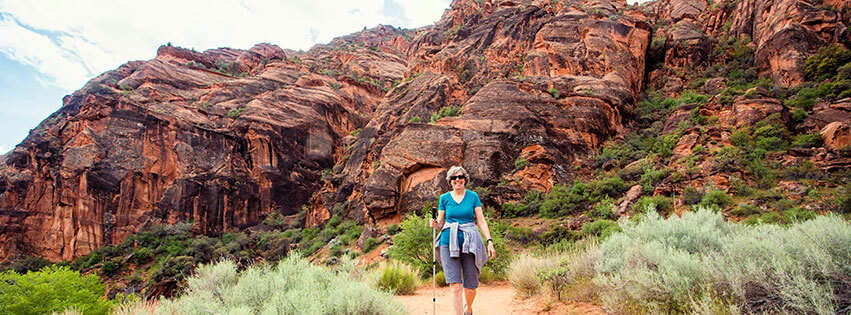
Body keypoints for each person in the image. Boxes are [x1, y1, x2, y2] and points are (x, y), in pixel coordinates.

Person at [430, 166, 496, 315]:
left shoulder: (473, 197)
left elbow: (481, 221)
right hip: (448, 240)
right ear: (450, 181)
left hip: (470, 242)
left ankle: (469, 308)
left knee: (470, 287)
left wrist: (489, 241)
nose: (457, 180)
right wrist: (435, 224)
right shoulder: (444, 198)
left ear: (465, 179)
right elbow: (440, 223)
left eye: (460, 177)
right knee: (455, 286)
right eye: (454, 178)